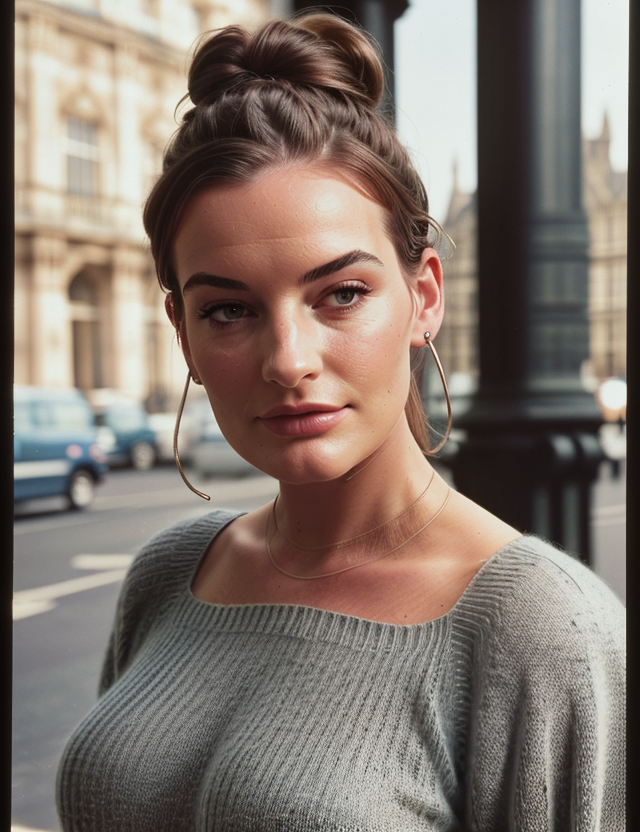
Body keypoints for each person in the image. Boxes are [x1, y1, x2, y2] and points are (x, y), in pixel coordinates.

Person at [56, 12, 625, 831]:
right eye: (228, 309)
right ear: (181, 329)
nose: (288, 359)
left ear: (423, 295)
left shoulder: (542, 630)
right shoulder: (167, 573)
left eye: (342, 294)